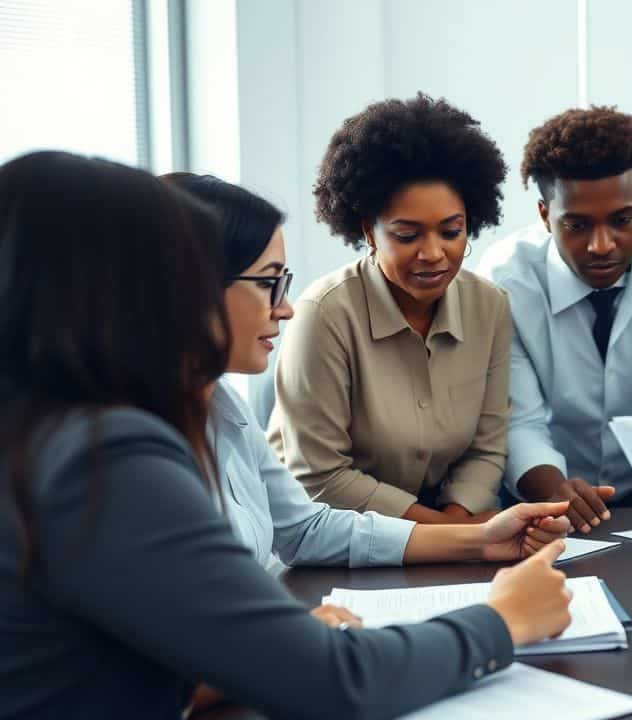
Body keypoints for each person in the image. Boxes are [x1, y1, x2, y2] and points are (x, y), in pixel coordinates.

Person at [0, 151, 572, 719]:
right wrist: (501, 620)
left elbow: (93, 660)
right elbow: (334, 683)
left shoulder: (67, 428)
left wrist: (475, 538)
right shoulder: (100, 456)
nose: (285, 308)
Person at [167, 173, 570, 571]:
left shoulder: (224, 405)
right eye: (269, 283)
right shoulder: (137, 449)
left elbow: (305, 530)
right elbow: (317, 490)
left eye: (450, 230)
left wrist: (478, 540)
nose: (285, 308)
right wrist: (461, 538)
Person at [269, 94, 512, 524]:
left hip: (448, 535)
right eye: (407, 235)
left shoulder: (489, 306)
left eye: (451, 231)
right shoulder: (323, 315)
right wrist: (448, 535)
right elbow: (320, 475)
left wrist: (457, 523)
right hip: (328, 535)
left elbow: (486, 448)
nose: (434, 253)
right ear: (369, 231)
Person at [477, 106, 632, 532]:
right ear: (543, 215)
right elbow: (518, 419)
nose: (602, 245)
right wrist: (552, 490)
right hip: (543, 491)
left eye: (622, 220)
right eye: (577, 225)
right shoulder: (503, 281)